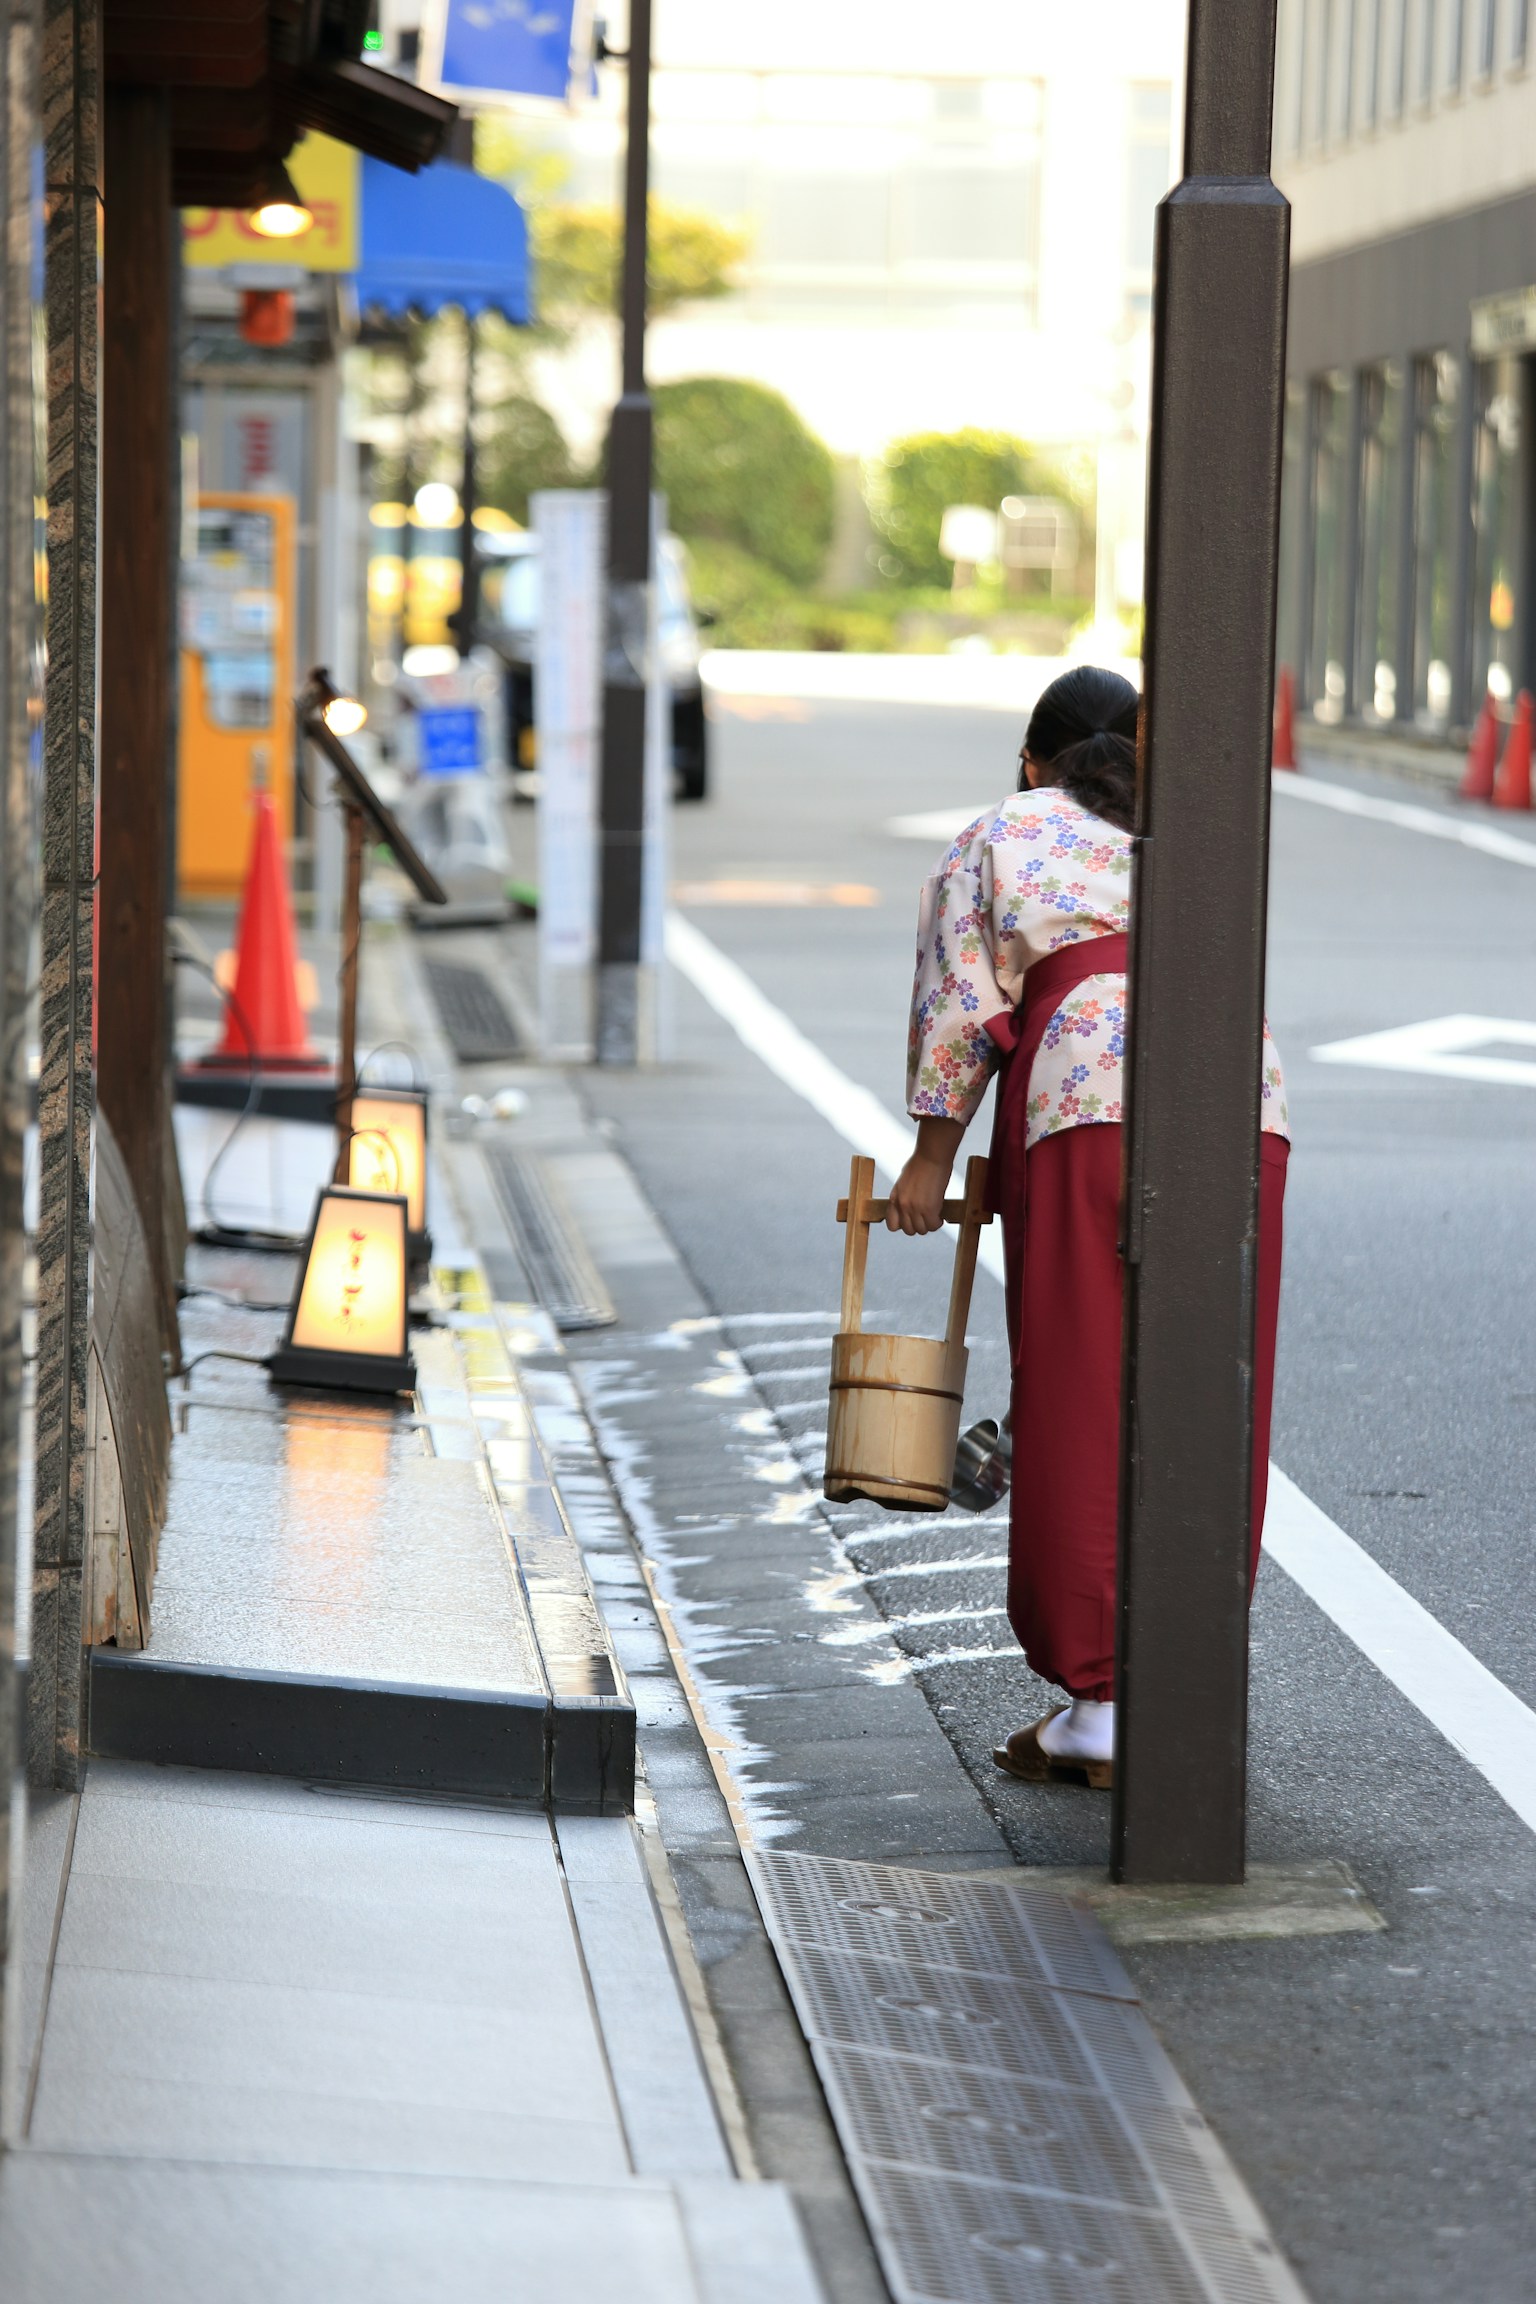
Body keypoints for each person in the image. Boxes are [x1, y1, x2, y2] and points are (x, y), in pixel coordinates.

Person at [884, 666, 1289, 1789]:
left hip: (1082, 1094)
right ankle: (1183, 1673)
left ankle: (1103, 1702)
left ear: (1034, 760)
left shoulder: (1004, 831)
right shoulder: (1188, 824)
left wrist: (931, 1157)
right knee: (1213, 1386)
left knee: (1076, 1388)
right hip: (1239, 1094)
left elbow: (960, 1000)